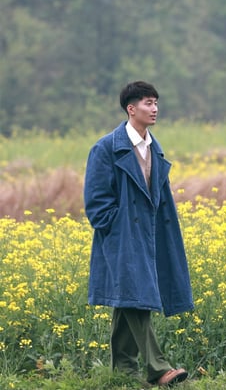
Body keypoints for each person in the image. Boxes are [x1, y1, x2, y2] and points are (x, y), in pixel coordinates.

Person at [84, 81, 194, 386]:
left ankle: (123, 370)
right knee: (137, 296)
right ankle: (158, 368)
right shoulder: (106, 147)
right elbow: (95, 202)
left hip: (150, 238)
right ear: (131, 109)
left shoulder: (153, 148)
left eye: (156, 102)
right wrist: (116, 229)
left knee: (128, 297)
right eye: (148, 103)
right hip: (121, 239)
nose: (155, 108)